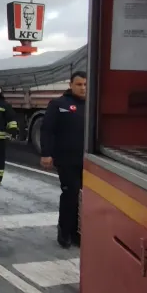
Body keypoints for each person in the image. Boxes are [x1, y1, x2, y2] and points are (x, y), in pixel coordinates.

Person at [40, 71, 88, 249]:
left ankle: (77, 232)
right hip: (67, 159)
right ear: (71, 85)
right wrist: (46, 153)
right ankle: (65, 232)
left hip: (88, 161)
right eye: (79, 84)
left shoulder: (91, 105)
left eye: (85, 84)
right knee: (71, 194)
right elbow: (47, 130)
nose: (83, 88)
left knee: (84, 198)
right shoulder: (59, 104)